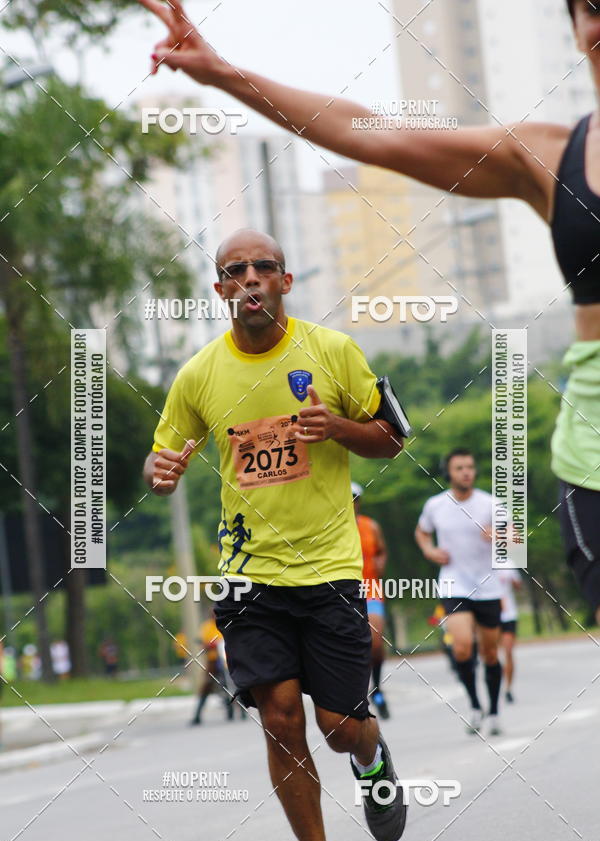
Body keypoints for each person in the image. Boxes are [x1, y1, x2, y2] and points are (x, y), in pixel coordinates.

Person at [136, 0, 600, 625]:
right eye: (592, 8)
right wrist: (220, 73)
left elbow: (387, 436)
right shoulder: (549, 156)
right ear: (573, 27)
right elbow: (370, 132)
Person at [143, 228, 406, 841]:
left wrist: (336, 429)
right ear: (221, 290)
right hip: (248, 574)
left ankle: (374, 762)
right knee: (281, 718)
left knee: (341, 727)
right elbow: (163, 452)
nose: (251, 278)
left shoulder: (333, 352)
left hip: (329, 571)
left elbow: (393, 438)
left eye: (265, 267)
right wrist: (160, 469)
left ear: (286, 282)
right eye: (236, 270)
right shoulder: (199, 374)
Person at [415, 449, 504, 737]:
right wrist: (429, 550)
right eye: (459, 468)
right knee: (463, 647)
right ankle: (475, 706)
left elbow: (516, 537)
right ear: (449, 474)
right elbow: (422, 532)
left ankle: (493, 712)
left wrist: (500, 536)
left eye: (469, 467)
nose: (466, 472)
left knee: (490, 654)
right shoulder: (436, 505)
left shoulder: (490, 504)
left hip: (488, 586)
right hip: (455, 584)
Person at [351, 482, 390, 719]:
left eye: (354, 498)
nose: (350, 502)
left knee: (375, 643)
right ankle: (357, 694)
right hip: (343, 592)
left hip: (371, 588)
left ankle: (377, 688)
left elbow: (381, 550)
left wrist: (380, 563)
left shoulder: (370, 526)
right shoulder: (331, 528)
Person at [190, 614, 245, 724]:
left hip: (227, 659)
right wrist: (211, 645)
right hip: (213, 661)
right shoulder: (207, 627)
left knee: (236, 682)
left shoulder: (226, 623)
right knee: (206, 685)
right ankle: (197, 715)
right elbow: (204, 643)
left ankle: (242, 711)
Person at [499, 565, 523, 703]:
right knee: (490, 653)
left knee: (508, 651)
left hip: (508, 614)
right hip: (489, 613)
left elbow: (518, 586)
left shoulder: (507, 561)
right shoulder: (478, 557)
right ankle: (496, 683)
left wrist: (513, 581)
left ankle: (508, 688)